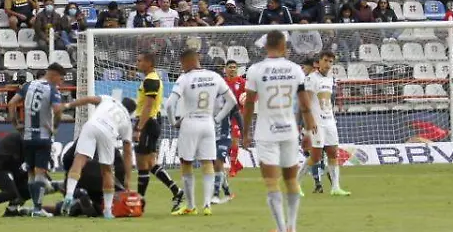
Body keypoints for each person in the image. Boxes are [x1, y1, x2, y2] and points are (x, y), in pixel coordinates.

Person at [241, 31, 317, 232]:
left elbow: (249, 104)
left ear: (266, 46)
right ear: (284, 46)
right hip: (289, 131)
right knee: (291, 180)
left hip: (266, 132)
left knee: (271, 182)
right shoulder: (295, 69)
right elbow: (305, 105)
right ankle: (292, 226)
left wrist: (245, 133)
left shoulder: (255, 70)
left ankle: (281, 228)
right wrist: (308, 134)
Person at [166, 49, 236, 216]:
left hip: (190, 122)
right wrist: (217, 119)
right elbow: (232, 101)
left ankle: (191, 206)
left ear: (186, 62)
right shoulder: (214, 76)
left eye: (182, 64)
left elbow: (169, 104)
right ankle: (207, 205)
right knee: (207, 163)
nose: (181, 67)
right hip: (208, 123)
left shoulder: (184, 78)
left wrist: (173, 122)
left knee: (186, 163)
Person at [55, 95, 138, 219]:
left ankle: (69, 195)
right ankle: (108, 211)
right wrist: (128, 180)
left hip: (92, 125)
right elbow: (127, 152)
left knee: (79, 160)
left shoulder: (109, 99)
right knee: (107, 171)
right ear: (130, 112)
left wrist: (67, 105)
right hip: (109, 132)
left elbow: (88, 99)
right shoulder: (127, 121)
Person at [7, 64, 66, 213]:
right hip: (43, 137)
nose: (61, 82)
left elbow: (12, 103)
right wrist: (55, 126)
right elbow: (58, 110)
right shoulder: (52, 89)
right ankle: (38, 209)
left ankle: (35, 207)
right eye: (60, 78)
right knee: (40, 173)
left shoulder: (29, 85)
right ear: (54, 75)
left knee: (31, 173)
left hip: (27, 136)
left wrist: (16, 124)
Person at [131, 52, 183, 210]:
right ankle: (176, 191)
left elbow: (148, 106)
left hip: (147, 123)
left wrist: (139, 128)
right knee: (151, 163)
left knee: (142, 164)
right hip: (151, 122)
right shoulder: (150, 79)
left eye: (140, 60)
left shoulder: (151, 80)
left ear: (149, 63)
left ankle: (140, 202)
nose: (137, 63)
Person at [305, 50, 349, 196]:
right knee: (315, 157)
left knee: (333, 153)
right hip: (316, 123)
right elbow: (306, 102)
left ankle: (335, 187)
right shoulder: (311, 79)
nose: (328, 64)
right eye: (325, 60)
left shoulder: (331, 80)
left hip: (329, 121)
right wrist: (309, 121)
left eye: (330, 61)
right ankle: (295, 183)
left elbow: (327, 101)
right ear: (319, 62)